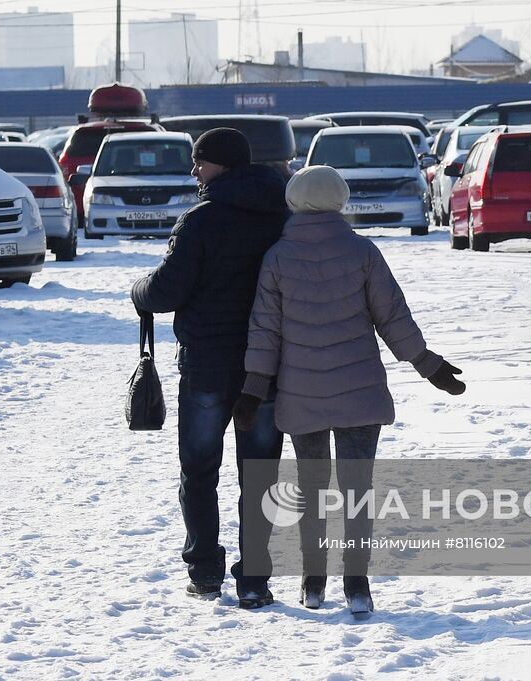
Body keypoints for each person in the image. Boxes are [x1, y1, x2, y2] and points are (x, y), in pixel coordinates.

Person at [233, 164, 466, 615]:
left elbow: (265, 330)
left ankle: (313, 581)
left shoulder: (277, 257)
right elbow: (392, 317)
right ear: (340, 200)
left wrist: (253, 388)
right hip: (359, 391)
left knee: (312, 488)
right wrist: (427, 364)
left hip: (301, 393)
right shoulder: (362, 251)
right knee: (357, 488)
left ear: (294, 201)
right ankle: (357, 584)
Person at [131, 128, 289, 609]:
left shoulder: (200, 220)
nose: (194, 170)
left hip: (207, 367)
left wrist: (138, 289)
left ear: (222, 163)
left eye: (200, 161)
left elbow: (165, 291)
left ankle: (203, 572)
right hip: (266, 367)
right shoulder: (282, 214)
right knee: (259, 474)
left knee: (199, 470)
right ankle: (255, 578)